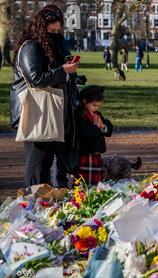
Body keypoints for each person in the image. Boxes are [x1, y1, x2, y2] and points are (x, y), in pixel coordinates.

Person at [10, 4, 79, 187]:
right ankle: (32, 206)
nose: (57, 28)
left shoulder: (55, 44)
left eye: (59, 24)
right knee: (38, 165)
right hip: (36, 111)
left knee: (52, 164)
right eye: (53, 24)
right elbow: (34, 78)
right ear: (43, 24)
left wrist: (70, 74)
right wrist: (63, 71)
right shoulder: (31, 46)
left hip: (53, 111)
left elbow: (56, 71)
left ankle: (50, 204)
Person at [75, 85, 113, 186]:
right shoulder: (79, 115)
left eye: (99, 106)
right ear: (84, 101)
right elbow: (85, 133)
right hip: (85, 155)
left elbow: (108, 127)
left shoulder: (96, 114)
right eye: (94, 105)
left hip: (96, 155)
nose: (96, 108)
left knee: (97, 185)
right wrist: (97, 127)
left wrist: (103, 126)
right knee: (85, 185)